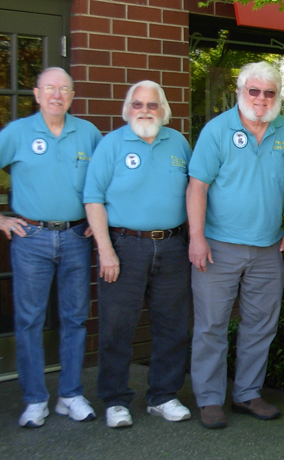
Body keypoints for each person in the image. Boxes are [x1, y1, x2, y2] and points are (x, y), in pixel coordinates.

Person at [187, 61, 284, 429]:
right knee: (211, 326)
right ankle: (209, 399)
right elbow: (197, 187)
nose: (262, 99)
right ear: (241, 92)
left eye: (269, 92)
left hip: (268, 248)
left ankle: (248, 393)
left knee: (260, 325)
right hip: (218, 247)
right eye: (254, 91)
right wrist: (197, 237)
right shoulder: (217, 130)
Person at [83, 81, 193, 428]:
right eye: (137, 104)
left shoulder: (178, 142)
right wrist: (105, 250)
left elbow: (195, 192)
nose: (145, 110)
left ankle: (163, 395)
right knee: (117, 326)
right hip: (124, 247)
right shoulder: (112, 144)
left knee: (173, 326)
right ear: (127, 109)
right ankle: (115, 400)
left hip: (173, 246)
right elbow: (93, 198)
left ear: (163, 110)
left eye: (152, 104)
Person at [0, 67, 101, 428]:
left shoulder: (87, 133)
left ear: (72, 96)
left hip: (76, 238)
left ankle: (70, 394)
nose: (57, 95)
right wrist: (2, 220)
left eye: (65, 89)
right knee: (29, 320)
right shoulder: (17, 133)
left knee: (74, 319)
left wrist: (97, 218)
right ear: (37, 94)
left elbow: (105, 180)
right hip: (32, 239)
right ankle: (34, 399)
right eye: (50, 89)